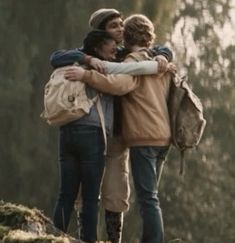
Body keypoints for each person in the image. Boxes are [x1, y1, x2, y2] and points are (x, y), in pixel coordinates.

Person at [50, 9, 173, 243]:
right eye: (114, 26)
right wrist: (88, 61)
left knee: (116, 187)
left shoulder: (126, 56)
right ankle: (77, 235)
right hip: (94, 130)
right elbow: (56, 57)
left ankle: (113, 237)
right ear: (100, 32)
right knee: (82, 191)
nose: (120, 29)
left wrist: (165, 53)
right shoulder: (92, 52)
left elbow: (155, 50)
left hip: (118, 133)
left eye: (121, 25)